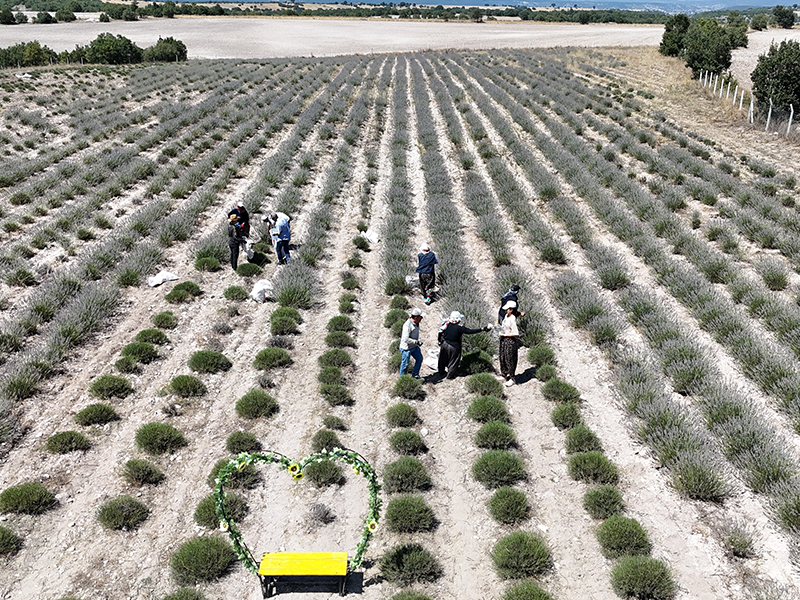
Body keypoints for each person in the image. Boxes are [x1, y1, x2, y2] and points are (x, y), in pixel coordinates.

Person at [437, 311, 491, 380]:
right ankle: (450, 376)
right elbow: (470, 331)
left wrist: (439, 341)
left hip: (444, 344)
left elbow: (440, 332)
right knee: (453, 361)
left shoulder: (447, 324)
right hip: (454, 346)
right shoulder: (459, 328)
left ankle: (441, 372)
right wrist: (482, 329)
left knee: (442, 359)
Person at [499, 300, 525, 387]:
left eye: (508, 309)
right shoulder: (506, 316)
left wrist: (506, 334)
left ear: (512, 310)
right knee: (502, 358)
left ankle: (512, 378)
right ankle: (504, 375)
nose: (506, 311)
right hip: (503, 340)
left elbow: (515, 333)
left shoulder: (512, 319)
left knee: (510, 359)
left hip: (510, 341)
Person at [399, 307, 424, 379]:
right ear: (416, 317)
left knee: (419, 359)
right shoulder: (407, 325)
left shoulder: (416, 323)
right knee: (405, 364)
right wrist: (416, 342)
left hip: (414, 346)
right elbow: (405, 339)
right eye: (420, 317)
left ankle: (415, 375)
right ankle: (403, 379)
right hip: (406, 348)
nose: (421, 318)